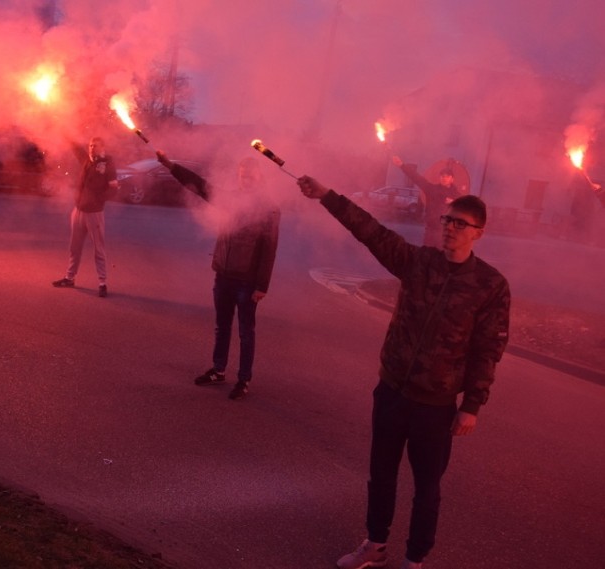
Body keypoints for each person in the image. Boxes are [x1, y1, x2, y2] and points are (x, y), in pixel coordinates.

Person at [295, 176, 510, 569]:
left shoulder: (490, 285)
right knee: (381, 475)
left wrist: (472, 405)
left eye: (460, 223)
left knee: (427, 489)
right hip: (392, 391)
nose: (450, 227)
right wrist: (327, 195)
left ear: (479, 232)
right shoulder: (419, 263)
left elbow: (488, 349)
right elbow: (372, 233)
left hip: (436, 404)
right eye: (447, 220)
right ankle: (375, 544)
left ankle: (415, 559)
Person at [156, 151, 280, 400]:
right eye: (243, 177)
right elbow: (200, 186)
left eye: (251, 177)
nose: (246, 181)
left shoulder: (269, 209)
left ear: (259, 177)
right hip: (223, 275)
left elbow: (269, 250)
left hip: (247, 281)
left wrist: (261, 286)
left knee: (246, 332)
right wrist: (171, 166)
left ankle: (243, 380)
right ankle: (219, 370)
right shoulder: (230, 199)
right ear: (239, 177)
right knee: (221, 326)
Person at [52, 137, 118, 297]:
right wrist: (63, 128)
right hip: (79, 210)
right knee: (74, 247)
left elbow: (114, 189)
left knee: (98, 248)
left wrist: (98, 200)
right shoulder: (86, 160)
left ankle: (102, 283)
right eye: (90, 145)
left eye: (95, 145)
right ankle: (69, 277)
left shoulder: (107, 164)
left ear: (102, 147)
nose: (91, 148)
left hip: (94, 213)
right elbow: (75, 146)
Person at [392, 156, 462, 248]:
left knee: (442, 256)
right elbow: (417, 178)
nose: (444, 178)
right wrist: (402, 166)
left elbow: (465, 210)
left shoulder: (458, 196)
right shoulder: (431, 189)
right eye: (442, 176)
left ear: (452, 179)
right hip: (431, 230)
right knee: (427, 255)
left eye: (447, 176)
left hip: (447, 232)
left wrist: (454, 202)